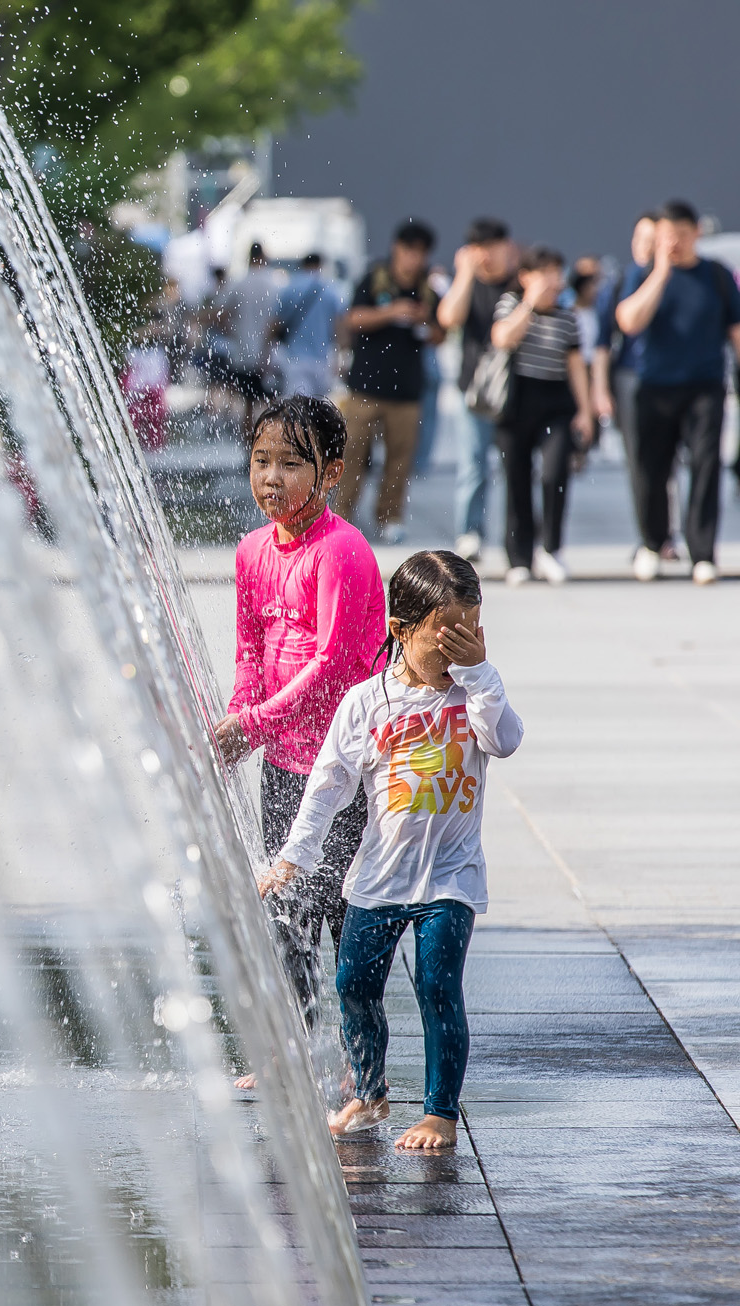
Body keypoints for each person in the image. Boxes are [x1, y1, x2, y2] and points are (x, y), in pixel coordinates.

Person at [262, 550, 524, 1152]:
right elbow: (327, 785)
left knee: (438, 987)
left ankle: (439, 1113)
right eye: (447, 634)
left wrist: (482, 673)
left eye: (473, 630)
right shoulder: (366, 703)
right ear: (399, 628)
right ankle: (371, 1090)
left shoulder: (474, 692)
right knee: (354, 983)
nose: (460, 647)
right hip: (379, 875)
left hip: (449, 878)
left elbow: (506, 741)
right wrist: (293, 858)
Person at [214, 395, 386, 1051]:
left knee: (344, 913)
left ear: (332, 472)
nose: (272, 478)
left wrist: (252, 723)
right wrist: (241, 717)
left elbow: (333, 663)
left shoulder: (340, 553)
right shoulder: (253, 550)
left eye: (291, 463)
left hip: (345, 766)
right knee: (284, 910)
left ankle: (361, 1067)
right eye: (261, 461)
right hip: (285, 762)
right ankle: (291, 1050)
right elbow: (250, 648)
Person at [611, 198, 740, 585]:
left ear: (697, 233)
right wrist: (661, 273)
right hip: (654, 388)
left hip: (705, 387)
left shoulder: (716, 275)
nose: (675, 243)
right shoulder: (644, 274)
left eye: (682, 235)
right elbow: (628, 321)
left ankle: (702, 553)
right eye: (668, 236)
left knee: (705, 467)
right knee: (650, 469)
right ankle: (653, 543)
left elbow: (736, 329)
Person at [489, 247, 595, 585]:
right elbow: (502, 337)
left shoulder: (568, 317)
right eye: (545, 273)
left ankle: (551, 549)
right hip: (517, 403)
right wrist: (530, 304)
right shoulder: (511, 304)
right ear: (526, 277)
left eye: (557, 273)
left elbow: (576, 365)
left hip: (557, 405)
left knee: (554, 473)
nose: (553, 281)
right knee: (516, 478)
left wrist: (585, 411)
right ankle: (519, 556)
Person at [338, 219, 445, 543]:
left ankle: (390, 517)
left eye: (420, 253)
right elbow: (353, 319)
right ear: (396, 248)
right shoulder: (374, 279)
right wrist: (391, 312)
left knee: (399, 461)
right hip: (365, 387)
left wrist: (424, 319)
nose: (413, 259)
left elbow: (441, 334)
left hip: (408, 391)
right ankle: (343, 517)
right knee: (351, 457)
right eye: (408, 251)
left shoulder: (429, 288)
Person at [436, 218, 521, 561]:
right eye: (478, 249)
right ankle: (470, 532)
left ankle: (518, 537)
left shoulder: (519, 282)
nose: (486, 256)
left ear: (507, 246)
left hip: (514, 390)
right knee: (473, 465)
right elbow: (448, 318)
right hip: (472, 389)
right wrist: (465, 274)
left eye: (491, 248)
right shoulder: (467, 284)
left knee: (516, 465)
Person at [593, 215, 671, 558]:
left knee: (671, 462)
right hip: (630, 377)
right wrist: (600, 389)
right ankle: (650, 537)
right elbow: (601, 342)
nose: (646, 247)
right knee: (640, 463)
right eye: (641, 239)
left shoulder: (674, 279)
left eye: (654, 240)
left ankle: (668, 535)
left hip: (671, 380)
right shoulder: (622, 282)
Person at [213, 243, 281, 423]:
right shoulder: (275, 284)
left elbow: (219, 314)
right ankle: (271, 445)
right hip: (268, 356)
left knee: (247, 406)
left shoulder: (238, 282)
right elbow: (279, 321)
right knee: (272, 405)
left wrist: (232, 332)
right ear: (264, 257)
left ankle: (248, 449)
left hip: (243, 353)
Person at [275, 253, 344, 400]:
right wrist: (339, 357)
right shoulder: (331, 290)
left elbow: (275, 323)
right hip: (322, 361)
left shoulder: (290, 288)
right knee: (318, 410)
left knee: (297, 409)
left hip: (295, 360)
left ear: (302, 265)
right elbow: (339, 326)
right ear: (321, 265)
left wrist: (266, 352)